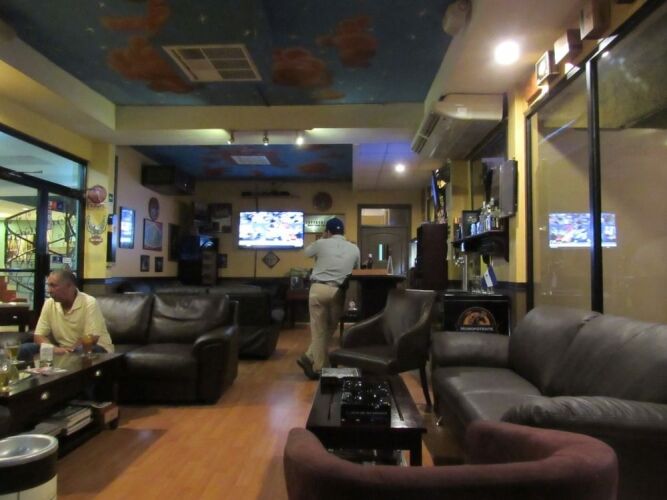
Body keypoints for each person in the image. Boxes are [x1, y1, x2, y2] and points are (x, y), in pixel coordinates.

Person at [297, 217, 360, 380]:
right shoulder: (354, 248)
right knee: (330, 328)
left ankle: (314, 363)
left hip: (318, 289)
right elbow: (357, 270)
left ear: (328, 231)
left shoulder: (321, 243)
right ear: (343, 232)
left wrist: (323, 238)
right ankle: (316, 362)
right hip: (338, 291)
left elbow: (306, 252)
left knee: (319, 330)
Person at [19, 269, 114, 360]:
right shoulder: (49, 303)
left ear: (70, 286)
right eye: (48, 285)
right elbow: (39, 336)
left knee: (82, 350)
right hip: (61, 349)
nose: (49, 290)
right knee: (25, 348)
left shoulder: (89, 302)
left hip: (94, 348)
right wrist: (54, 349)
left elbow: (91, 338)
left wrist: (70, 350)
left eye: (53, 286)